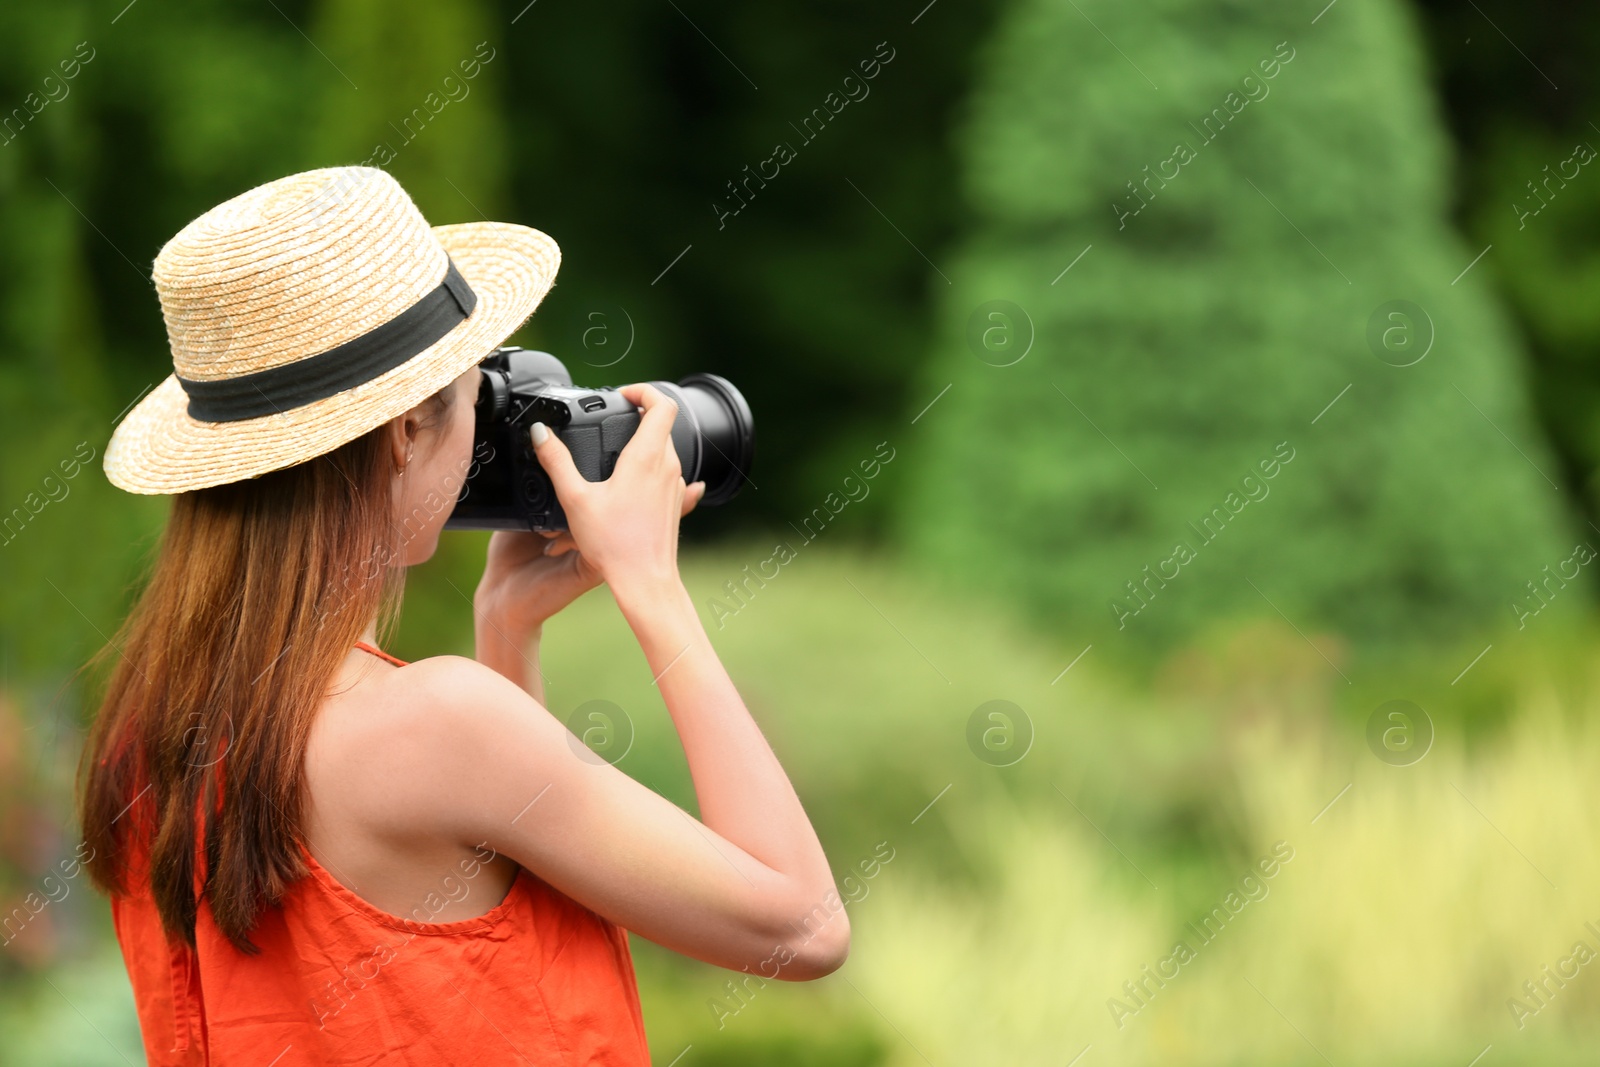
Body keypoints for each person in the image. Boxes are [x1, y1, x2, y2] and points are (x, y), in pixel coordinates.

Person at [76, 166, 848, 1066]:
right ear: (404, 429)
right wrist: (653, 588)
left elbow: (453, 919)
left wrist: (507, 630)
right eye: (473, 398)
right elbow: (803, 925)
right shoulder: (436, 723)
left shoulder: (150, 738)